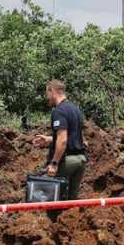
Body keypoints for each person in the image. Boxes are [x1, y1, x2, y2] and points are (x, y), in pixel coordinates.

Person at [33, 79, 88, 222]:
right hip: (81, 160)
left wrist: (54, 163)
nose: (47, 97)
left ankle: (52, 227)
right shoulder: (75, 109)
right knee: (72, 200)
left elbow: (63, 140)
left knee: (50, 195)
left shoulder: (59, 111)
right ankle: (71, 229)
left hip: (67, 160)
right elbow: (76, 137)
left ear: (52, 91)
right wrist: (49, 139)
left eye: (47, 93)